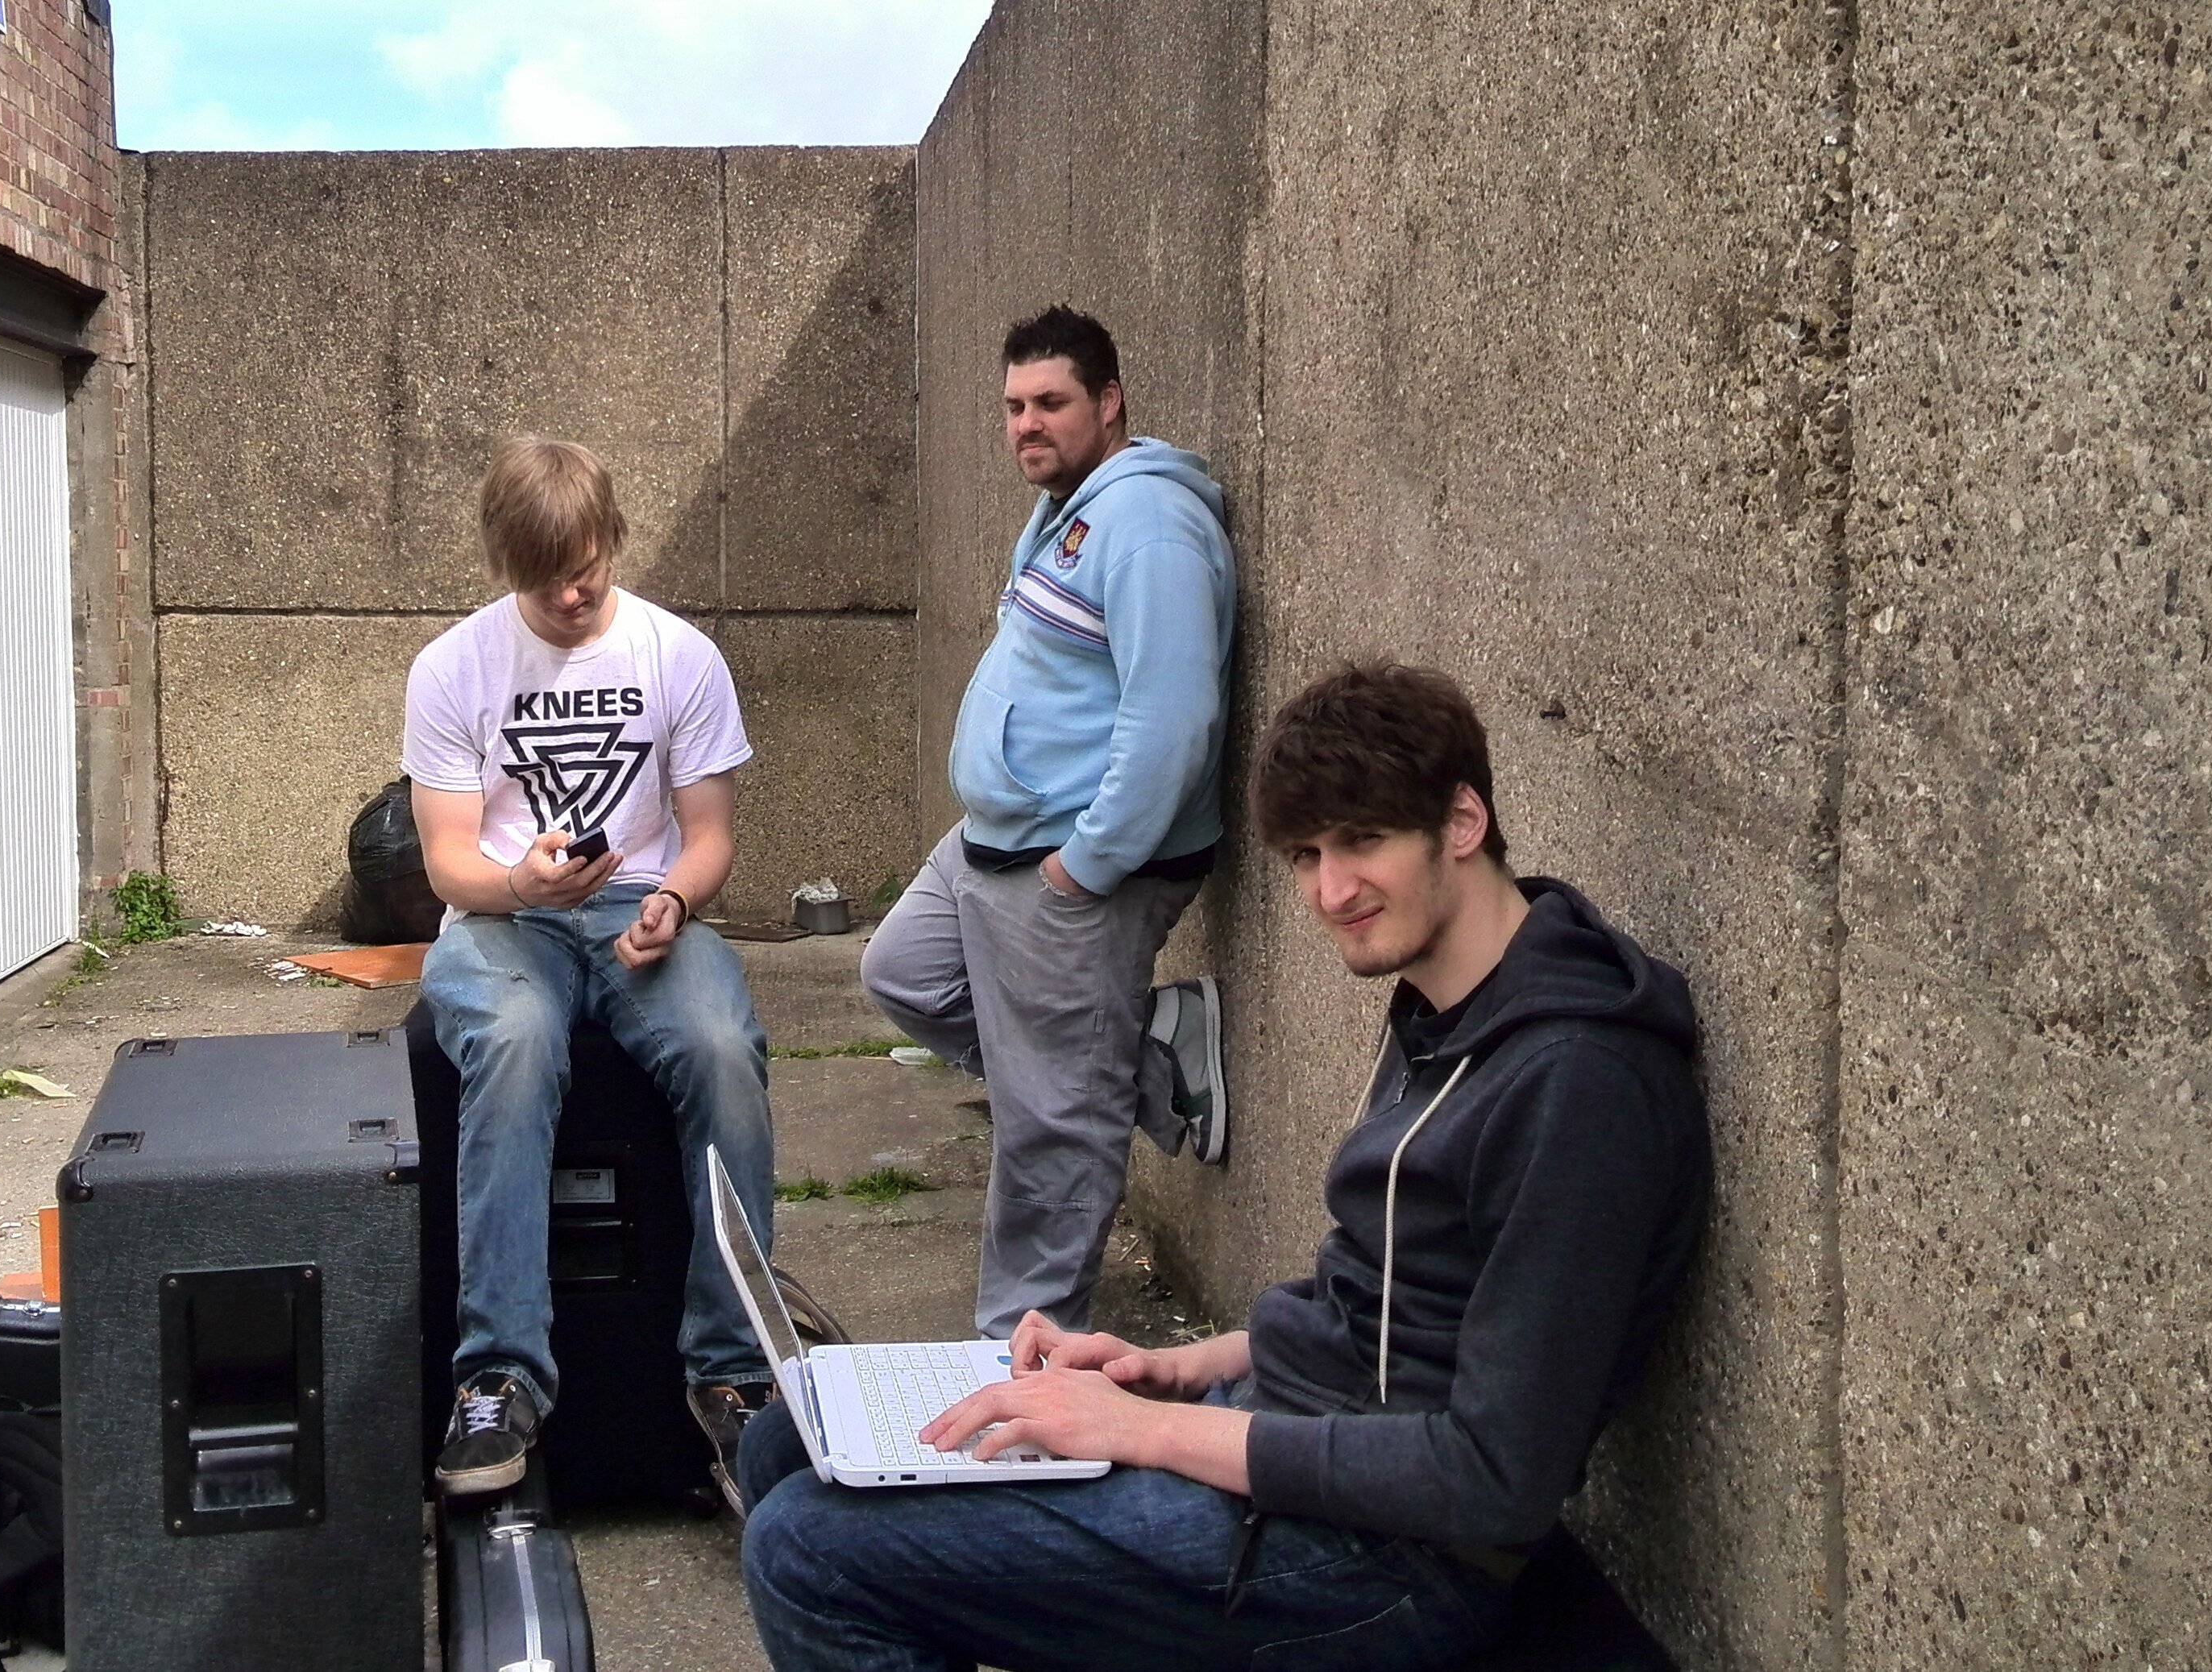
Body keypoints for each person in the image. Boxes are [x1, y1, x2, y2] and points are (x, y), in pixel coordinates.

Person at [741, 663, 1715, 1671]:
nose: (1330, 891)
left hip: (1377, 1562)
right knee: (789, 1441)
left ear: (1460, 820)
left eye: (1363, 840)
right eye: (1306, 854)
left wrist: (1137, 1430)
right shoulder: (1453, 999)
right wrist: (1174, 1366)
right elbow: (1377, 1304)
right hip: (1283, 1437)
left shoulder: (1577, 1087)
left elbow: (1489, 1476)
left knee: (809, 1552)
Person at [405, 435, 776, 1500]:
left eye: (587, 568)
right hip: (505, 915)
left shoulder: (679, 656)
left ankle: (733, 1370)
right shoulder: (452, 668)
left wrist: (674, 898)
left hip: (639, 912)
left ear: (611, 539)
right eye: (545, 577)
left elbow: (708, 834)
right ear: (506, 565)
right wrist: (521, 884)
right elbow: (447, 857)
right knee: (515, 1044)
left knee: (720, 1045)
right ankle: (497, 1378)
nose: (571, 594)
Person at [861, 304, 1239, 1341]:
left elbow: (1174, 717)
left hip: (1073, 864)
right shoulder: (1074, 505)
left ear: (1108, 401)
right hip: (994, 841)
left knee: (1050, 1129)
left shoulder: (1149, 525)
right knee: (901, 974)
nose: (1027, 424)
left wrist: (1087, 864)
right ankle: (1148, 1056)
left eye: (1051, 402)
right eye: (1013, 406)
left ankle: (1019, 1360)